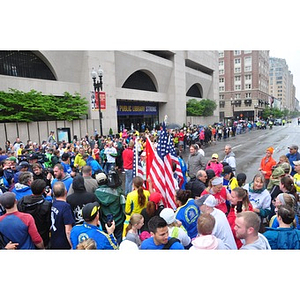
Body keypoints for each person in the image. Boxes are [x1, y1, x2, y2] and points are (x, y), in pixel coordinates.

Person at [17, 179, 52, 247]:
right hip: (42, 235)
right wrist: (49, 197)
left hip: (26, 234)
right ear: (43, 190)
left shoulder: (22, 201)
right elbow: (48, 222)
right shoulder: (46, 205)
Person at [94, 172, 126, 244]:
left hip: (105, 221)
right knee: (118, 240)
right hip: (119, 220)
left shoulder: (96, 193)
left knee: (107, 240)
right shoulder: (117, 191)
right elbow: (123, 206)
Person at [50, 181, 75, 249]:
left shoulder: (53, 204)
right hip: (63, 243)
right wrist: (72, 246)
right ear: (65, 191)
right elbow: (68, 231)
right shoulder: (66, 207)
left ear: (54, 193)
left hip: (54, 240)